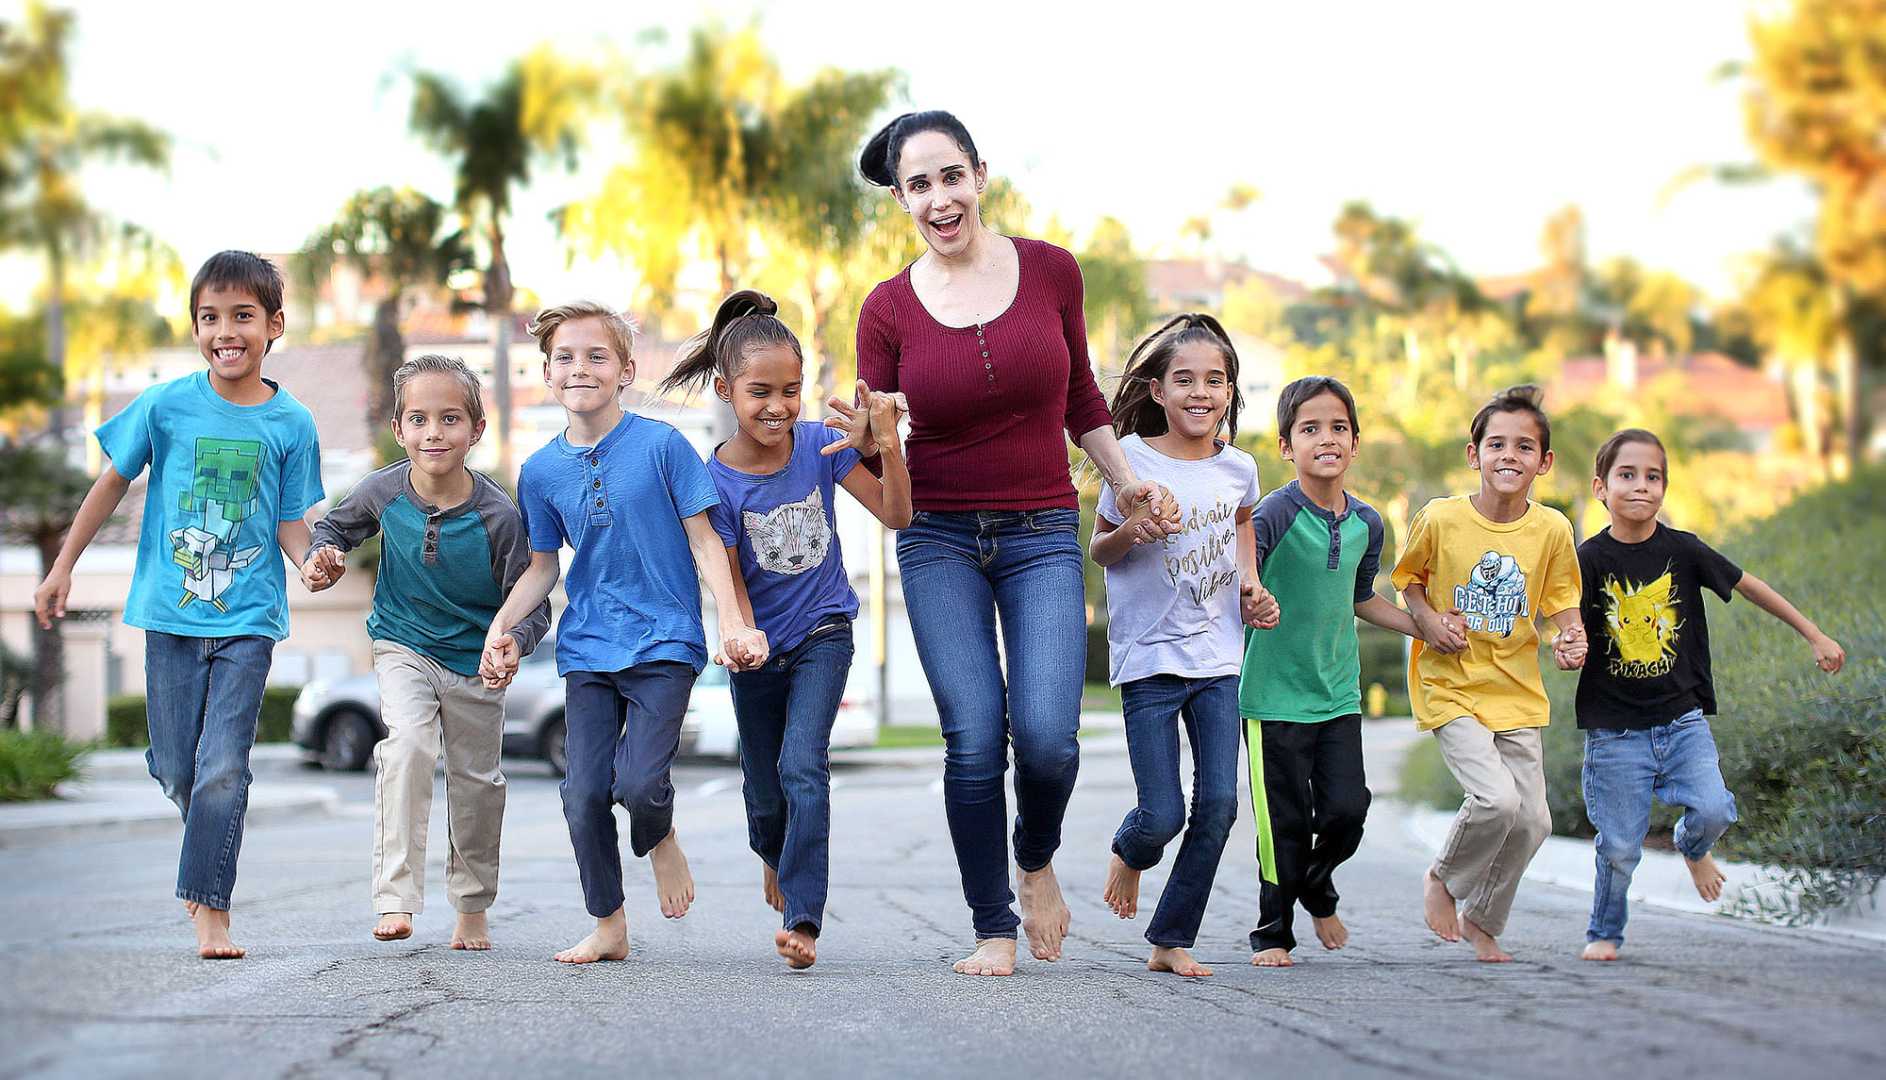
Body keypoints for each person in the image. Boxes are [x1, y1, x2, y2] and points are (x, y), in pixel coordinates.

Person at [854, 109, 1178, 975]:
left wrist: (1125, 482)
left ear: (980, 175)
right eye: (918, 185)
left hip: (1040, 529)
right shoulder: (886, 311)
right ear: (902, 200)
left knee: (1047, 740)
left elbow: (1079, 396)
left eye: (950, 175)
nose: (938, 197)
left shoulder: (1050, 272)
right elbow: (877, 449)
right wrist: (871, 436)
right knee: (972, 738)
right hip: (938, 540)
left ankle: (1034, 858)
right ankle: (991, 924)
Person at [33, 251, 323, 959]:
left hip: (248, 619)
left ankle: (210, 911)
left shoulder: (292, 422)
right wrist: (63, 566)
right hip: (169, 616)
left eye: (243, 316)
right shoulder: (165, 405)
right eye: (210, 317)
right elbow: (110, 484)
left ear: (274, 325)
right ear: (196, 326)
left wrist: (311, 560)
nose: (226, 330)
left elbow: (289, 520)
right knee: (176, 769)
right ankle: (208, 848)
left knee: (224, 767)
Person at [480, 300, 768, 964]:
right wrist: (502, 627)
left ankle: (658, 834)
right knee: (581, 793)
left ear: (626, 370)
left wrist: (730, 620)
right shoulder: (542, 471)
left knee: (638, 783)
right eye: (566, 358)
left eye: (596, 355)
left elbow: (707, 540)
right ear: (548, 373)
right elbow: (543, 568)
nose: (580, 367)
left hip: (665, 638)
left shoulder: (663, 446)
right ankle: (609, 924)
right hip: (587, 647)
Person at [658, 290, 912, 969]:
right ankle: (774, 853)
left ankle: (804, 917)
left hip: (825, 634)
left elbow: (896, 515)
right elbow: (731, 577)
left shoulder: (818, 446)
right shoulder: (716, 481)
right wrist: (740, 638)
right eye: (760, 392)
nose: (778, 406)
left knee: (803, 764)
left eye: (791, 391)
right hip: (757, 652)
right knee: (765, 797)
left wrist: (887, 445)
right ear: (725, 390)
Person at [302, 355, 549, 950]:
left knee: (476, 782)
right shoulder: (383, 491)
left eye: (449, 419)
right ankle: (395, 897)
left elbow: (533, 599)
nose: (432, 432)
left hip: (476, 660)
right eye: (418, 419)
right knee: (408, 745)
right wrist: (323, 557)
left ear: (476, 428)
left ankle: (471, 906)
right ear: (398, 428)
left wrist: (513, 642)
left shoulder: (498, 516)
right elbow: (334, 531)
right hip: (404, 644)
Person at [1574, 428, 1845, 961]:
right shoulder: (1587, 560)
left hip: (1682, 722)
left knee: (1716, 809)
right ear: (1601, 487)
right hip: (1614, 732)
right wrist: (1563, 643)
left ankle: (1692, 845)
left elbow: (1748, 585)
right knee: (1621, 849)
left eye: (1654, 477)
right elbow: (1558, 619)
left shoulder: (1683, 550)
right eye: (1628, 476)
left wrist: (1813, 633)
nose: (1642, 487)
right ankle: (1604, 932)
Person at [1092, 314, 1277, 978]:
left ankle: (1171, 937)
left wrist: (1251, 583)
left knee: (1221, 804)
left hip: (1219, 659)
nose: (1201, 392)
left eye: (1216, 380)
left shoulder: (1241, 469)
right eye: (1185, 380)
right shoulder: (1131, 458)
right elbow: (1101, 550)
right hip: (1149, 658)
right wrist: (1133, 528)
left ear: (1230, 391)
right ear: (1159, 389)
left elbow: (1243, 522)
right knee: (1162, 812)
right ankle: (1131, 849)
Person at [1391, 385, 1587, 962]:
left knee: (1533, 821)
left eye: (1524, 446)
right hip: (1449, 683)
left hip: (1516, 690)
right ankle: (1443, 881)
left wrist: (1571, 638)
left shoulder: (1551, 528)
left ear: (1543, 462)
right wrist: (1427, 623)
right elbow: (1409, 581)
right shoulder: (1442, 518)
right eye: (1496, 443)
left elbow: (1560, 601)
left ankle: (1483, 917)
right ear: (1473, 454)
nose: (1510, 455)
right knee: (1497, 800)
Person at [1242, 376, 1422, 968]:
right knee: (1283, 827)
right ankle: (1274, 932)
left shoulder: (1368, 522)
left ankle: (1317, 884)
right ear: (1286, 446)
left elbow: (1361, 595)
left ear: (1355, 443)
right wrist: (1252, 599)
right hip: (1273, 700)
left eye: (1338, 428)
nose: (1327, 438)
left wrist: (1423, 628)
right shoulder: (1273, 512)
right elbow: (1240, 582)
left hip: (1338, 696)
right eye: (1310, 428)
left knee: (1348, 810)